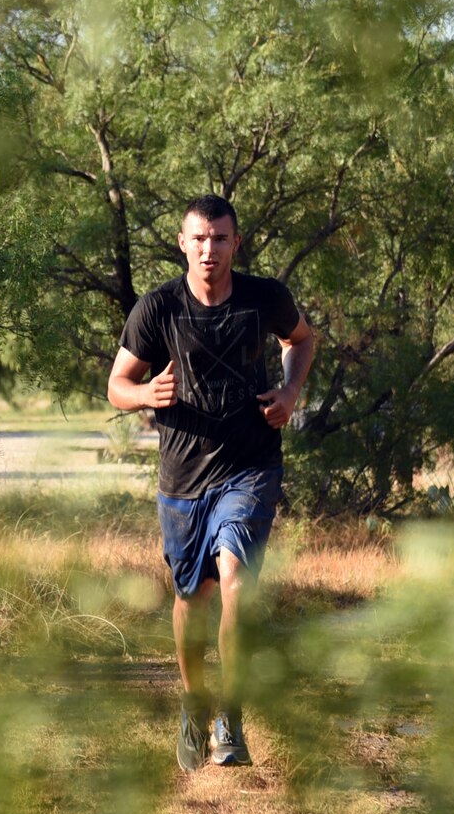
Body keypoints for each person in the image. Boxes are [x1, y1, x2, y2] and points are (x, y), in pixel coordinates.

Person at [106, 195, 316, 770]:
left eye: (220, 239)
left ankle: (231, 717)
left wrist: (291, 392)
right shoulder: (157, 309)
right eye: (199, 239)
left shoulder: (264, 297)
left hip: (250, 468)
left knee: (234, 583)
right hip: (182, 477)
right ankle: (195, 705)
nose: (209, 249)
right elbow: (117, 384)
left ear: (235, 244)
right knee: (190, 597)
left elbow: (301, 339)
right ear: (182, 243)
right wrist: (147, 394)